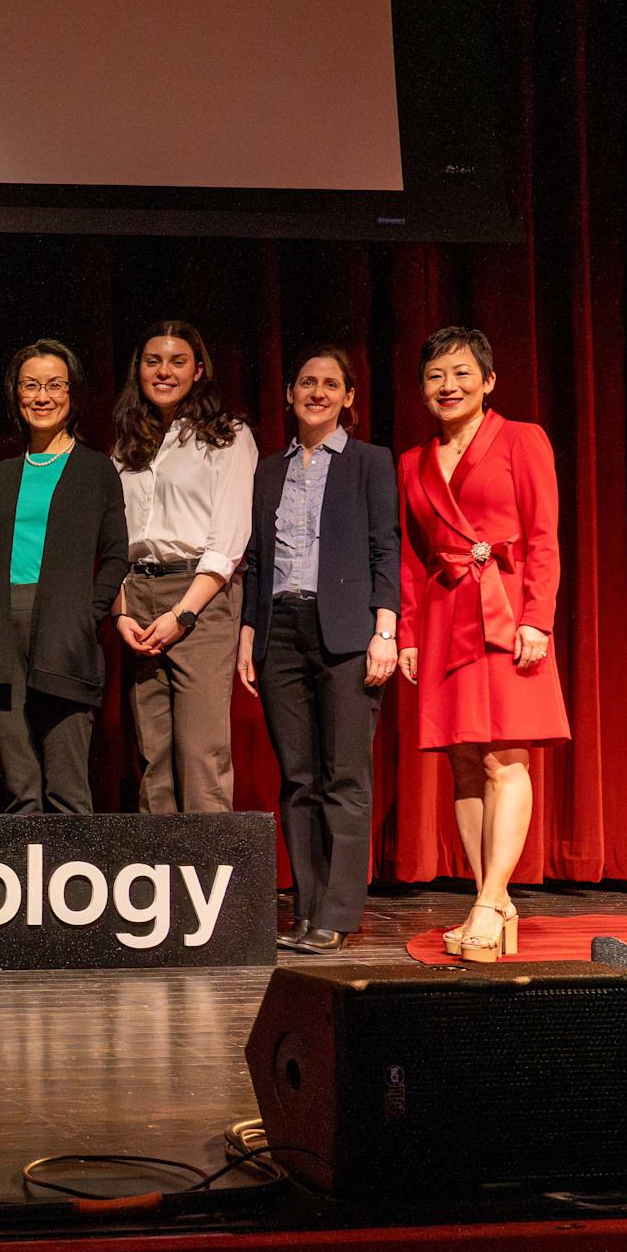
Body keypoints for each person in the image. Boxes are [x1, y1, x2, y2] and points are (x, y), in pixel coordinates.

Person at [397, 326, 569, 961]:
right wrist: (410, 633)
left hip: (504, 608)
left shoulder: (522, 439)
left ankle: (491, 902)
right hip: (445, 616)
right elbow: (413, 559)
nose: (449, 386)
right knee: (464, 763)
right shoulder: (411, 462)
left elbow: (544, 536)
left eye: (463, 373)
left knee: (507, 759)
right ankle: (488, 899)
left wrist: (536, 619)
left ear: (488, 381)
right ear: (422, 388)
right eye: (437, 376)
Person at [237, 346, 399, 953]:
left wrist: (385, 631)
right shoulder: (269, 470)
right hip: (281, 628)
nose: (318, 392)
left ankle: (335, 913)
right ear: (289, 393)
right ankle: (305, 910)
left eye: (332, 384)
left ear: (348, 397)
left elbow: (387, 548)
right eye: (307, 382)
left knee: (345, 776)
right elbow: (257, 562)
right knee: (298, 777)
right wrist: (250, 634)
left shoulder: (368, 462)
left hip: (347, 633)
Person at [0, 340, 129, 813]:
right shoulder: (1, 475)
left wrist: (86, 613)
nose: (42, 396)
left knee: (67, 788)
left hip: (64, 630)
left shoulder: (96, 470)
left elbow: (116, 556)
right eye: (30, 385)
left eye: (54, 385)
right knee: (21, 789)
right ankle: (25, 884)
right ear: (16, 395)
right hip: (0, 631)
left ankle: (76, 885)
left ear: (72, 394)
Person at [109, 320, 258, 813]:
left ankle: (209, 880)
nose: (164, 372)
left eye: (177, 362)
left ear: (198, 370)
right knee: (153, 753)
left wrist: (184, 614)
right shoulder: (127, 443)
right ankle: (159, 878)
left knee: (199, 751)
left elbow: (229, 539)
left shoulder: (228, 436)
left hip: (201, 598)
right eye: (153, 361)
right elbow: (115, 539)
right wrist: (121, 612)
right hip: (138, 595)